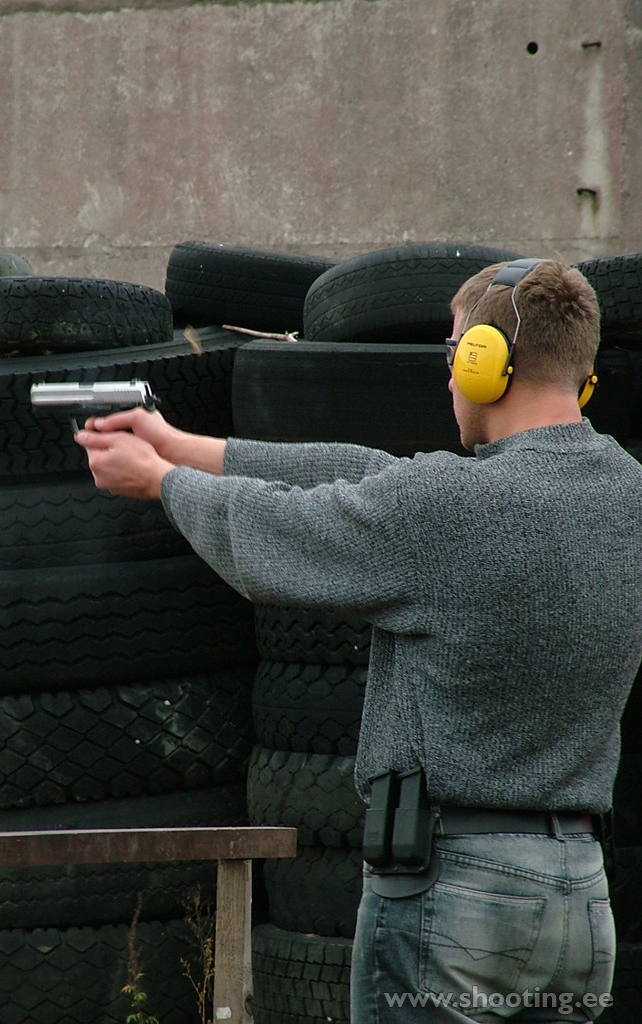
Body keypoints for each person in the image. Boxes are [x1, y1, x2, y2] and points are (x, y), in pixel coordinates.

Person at [75, 258, 642, 1022]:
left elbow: (282, 535)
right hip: (579, 900)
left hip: (456, 894)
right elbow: (368, 477)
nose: (449, 382)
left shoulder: (444, 508)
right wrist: (180, 444)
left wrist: (160, 482)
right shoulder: (627, 495)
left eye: (453, 356)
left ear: (484, 365)